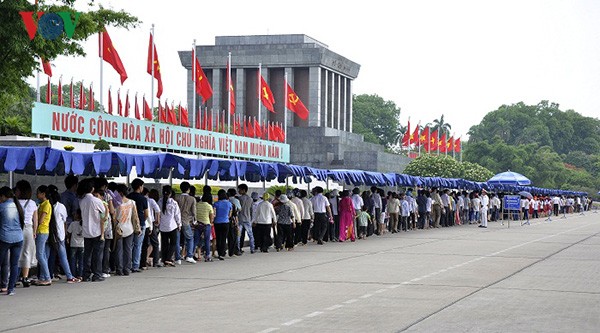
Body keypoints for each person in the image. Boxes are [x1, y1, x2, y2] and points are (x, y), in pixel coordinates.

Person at [48, 189, 80, 283]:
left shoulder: (49, 206)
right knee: (62, 256)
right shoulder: (61, 206)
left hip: (53, 234)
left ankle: (49, 274)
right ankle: (69, 276)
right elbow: (65, 221)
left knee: (52, 255)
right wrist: (66, 234)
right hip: (60, 234)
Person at [78, 178, 106, 282]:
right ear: (92, 188)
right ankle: (97, 274)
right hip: (97, 230)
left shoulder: (81, 201)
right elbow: (103, 212)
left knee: (87, 254)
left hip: (86, 230)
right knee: (97, 254)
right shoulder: (96, 200)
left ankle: (86, 274)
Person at [114, 184, 141, 276]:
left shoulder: (116, 203)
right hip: (129, 228)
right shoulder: (132, 202)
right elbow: (135, 216)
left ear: (120, 192)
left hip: (119, 229)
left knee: (119, 250)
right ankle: (127, 269)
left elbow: (114, 217)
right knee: (128, 249)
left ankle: (119, 269)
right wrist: (138, 227)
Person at [14, 180, 37, 287]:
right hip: (28, 229)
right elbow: (35, 220)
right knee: (27, 252)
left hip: (17, 228)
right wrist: (34, 232)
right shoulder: (32, 203)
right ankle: (25, 277)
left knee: (14, 252)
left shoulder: (14, 202)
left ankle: (13, 277)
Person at [126, 178, 148, 273]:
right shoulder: (143, 198)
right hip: (140, 224)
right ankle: (135, 265)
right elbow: (146, 213)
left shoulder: (128, 196)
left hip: (129, 223)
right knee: (138, 245)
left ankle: (128, 265)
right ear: (140, 187)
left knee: (129, 245)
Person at [34, 185, 52, 286]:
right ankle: (42, 277)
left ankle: (47, 277)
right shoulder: (43, 204)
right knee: (43, 255)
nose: (37, 194)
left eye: (38, 192)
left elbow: (40, 220)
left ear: (43, 194)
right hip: (43, 231)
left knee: (39, 255)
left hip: (42, 231)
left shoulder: (46, 205)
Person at [176, 182, 197, 264]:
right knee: (190, 238)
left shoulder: (177, 198)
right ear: (188, 189)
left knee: (177, 240)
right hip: (186, 221)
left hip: (177, 221)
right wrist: (194, 220)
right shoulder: (192, 199)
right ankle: (189, 256)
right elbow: (194, 211)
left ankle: (178, 258)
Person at [159, 185, 181, 267]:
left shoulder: (159, 202)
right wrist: (179, 224)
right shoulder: (173, 202)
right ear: (171, 193)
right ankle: (168, 258)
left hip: (162, 226)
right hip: (172, 225)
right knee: (173, 243)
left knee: (164, 244)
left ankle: (164, 259)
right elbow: (177, 215)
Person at [213, 189, 232, 260]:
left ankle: (219, 252)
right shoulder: (229, 204)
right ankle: (222, 253)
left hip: (217, 222)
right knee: (224, 238)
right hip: (226, 222)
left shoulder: (216, 204)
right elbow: (230, 215)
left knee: (218, 238)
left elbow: (214, 214)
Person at [144, 188, 161, 268]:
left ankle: (144, 260)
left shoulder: (137, 199)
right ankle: (155, 261)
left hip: (141, 223)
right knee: (155, 243)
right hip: (150, 223)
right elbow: (157, 210)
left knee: (144, 244)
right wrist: (157, 220)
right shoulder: (151, 200)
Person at [237, 184, 255, 254]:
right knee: (250, 235)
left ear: (244, 190)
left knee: (238, 235)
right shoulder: (250, 199)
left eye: (240, 189)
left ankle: (238, 248)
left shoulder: (239, 199)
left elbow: (238, 209)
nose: (238, 191)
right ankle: (252, 248)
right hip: (248, 219)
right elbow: (251, 210)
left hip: (240, 219)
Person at [196, 193, 215, 261]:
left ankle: (191, 255)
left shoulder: (197, 204)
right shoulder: (209, 206)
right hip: (206, 224)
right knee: (207, 241)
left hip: (198, 224)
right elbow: (212, 217)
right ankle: (207, 256)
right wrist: (211, 222)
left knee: (196, 240)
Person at [67, 209, 84, 280]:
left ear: (77, 215)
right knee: (81, 261)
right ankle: (80, 274)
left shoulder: (73, 224)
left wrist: (68, 239)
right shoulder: (84, 224)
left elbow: (69, 232)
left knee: (73, 260)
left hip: (73, 244)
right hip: (82, 244)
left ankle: (73, 274)